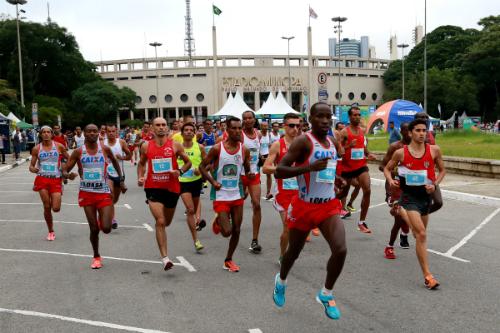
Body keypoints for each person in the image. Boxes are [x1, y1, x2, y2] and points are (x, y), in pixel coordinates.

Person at [273, 102, 346, 320]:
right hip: (304, 206)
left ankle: (326, 294)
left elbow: (328, 170)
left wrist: (337, 180)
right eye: (320, 116)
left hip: (328, 205)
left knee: (340, 249)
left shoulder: (332, 141)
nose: (325, 120)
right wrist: (308, 168)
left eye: (328, 116)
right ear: (310, 119)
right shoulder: (303, 142)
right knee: (293, 253)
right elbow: (279, 171)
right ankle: (281, 280)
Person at [384, 118, 446, 289]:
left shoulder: (434, 150)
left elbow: (442, 170)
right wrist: (390, 180)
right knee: (421, 235)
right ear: (410, 133)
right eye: (418, 130)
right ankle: (428, 276)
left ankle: (400, 212)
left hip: (425, 198)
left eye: (424, 130)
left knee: (418, 233)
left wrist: (434, 184)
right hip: (409, 196)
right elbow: (387, 168)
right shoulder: (401, 153)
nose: (421, 133)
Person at [63, 124, 125, 269]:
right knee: (93, 229)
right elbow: (65, 169)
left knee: (107, 228)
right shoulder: (79, 152)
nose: (92, 133)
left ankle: (102, 221)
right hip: (87, 193)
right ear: (84, 134)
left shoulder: (105, 149)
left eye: (94, 131)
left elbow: (116, 163)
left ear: (98, 133)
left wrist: (121, 180)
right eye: (89, 131)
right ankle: (96, 256)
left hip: (103, 192)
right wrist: (68, 175)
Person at [137, 117, 192, 271]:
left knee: (166, 222)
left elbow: (188, 163)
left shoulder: (175, 145)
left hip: (172, 188)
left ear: (167, 128)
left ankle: (164, 253)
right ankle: (165, 258)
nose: (161, 127)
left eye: (163, 125)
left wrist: (179, 171)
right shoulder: (146, 146)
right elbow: (141, 163)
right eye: (158, 125)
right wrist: (140, 176)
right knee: (160, 221)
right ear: (152, 129)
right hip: (153, 188)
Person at [199, 116, 252, 272]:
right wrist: (212, 182)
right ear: (227, 130)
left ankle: (228, 260)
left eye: (239, 128)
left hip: (237, 194)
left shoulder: (244, 149)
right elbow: (202, 167)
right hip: (221, 194)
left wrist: (247, 183)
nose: (237, 131)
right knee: (227, 232)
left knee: (237, 229)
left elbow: (246, 169)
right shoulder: (217, 148)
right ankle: (218, 222)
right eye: (233, 128)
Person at [262, 113, 301, 263]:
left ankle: (289, 252)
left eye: (298, 125)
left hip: (300, 192)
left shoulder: (303, 144)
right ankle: (283, 255)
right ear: (284, 126)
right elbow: (266, 168)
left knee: (296, 228)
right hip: (283, 192)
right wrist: (281, 169)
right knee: (287, 226)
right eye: (291, 125)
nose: (295, 129)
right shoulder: (278, 145)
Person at [29, 126, 74, 241]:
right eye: (43, 132)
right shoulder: (36, 149)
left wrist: (65, 171)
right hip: (42, 179)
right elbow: (31, 165)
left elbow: (69, 159)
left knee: (56, 208)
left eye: (48, 132)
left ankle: (56, 201)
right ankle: (50, 231)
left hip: (55, 179)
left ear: (52, 134)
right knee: (46, 206)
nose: (46, 134)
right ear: (40, 135)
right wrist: (33, 169)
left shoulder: (59, 146)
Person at [339, 106, 376, 233]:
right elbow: (339, 151)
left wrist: (368, 153)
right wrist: (349, 145)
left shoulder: (362, 131)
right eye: (354, 115)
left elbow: (363, 146)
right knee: (342, 194)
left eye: (359, 115)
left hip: (361, 166)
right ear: (349, 117)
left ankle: (361, 222)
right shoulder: (344, 132)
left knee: (367, 189)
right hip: (347, 168)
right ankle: (330, 209)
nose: (357, 117)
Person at [379, 122, 412, 259]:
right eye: (406, 130)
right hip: (396, 188)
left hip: (412, 188)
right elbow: (382, 166)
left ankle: (404, 232)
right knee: (399, 218)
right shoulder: (395, 147)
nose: (409, 133)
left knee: (408, 217)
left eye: (411, 130)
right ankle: (389, 247)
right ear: (401, 131)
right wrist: (394, 174)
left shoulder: (419, 148)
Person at [178, 122, 207, 252]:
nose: (189, 132)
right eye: (186, 130)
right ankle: (196, 240)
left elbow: (206, 164)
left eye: (191, 130)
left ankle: (196, 222)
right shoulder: (177, 148)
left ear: (194, 133)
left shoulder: (200, 147)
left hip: (196, 181)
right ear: (182, 133)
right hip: (182, 181)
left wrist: (199, 171)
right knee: (190, 209)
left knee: (194, 209)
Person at [241, 110, 264, 253]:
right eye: (245, 118)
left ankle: (255, 240)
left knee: (256, 204)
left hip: (254, 174)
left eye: (250, 118)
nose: (248, 120)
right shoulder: (239, 135)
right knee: (238, 202)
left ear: (254, 119)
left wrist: (260, 157)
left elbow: (256, 150)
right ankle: (220, 217)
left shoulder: (258, 134)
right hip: (240, 174)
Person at [104, 124, 131, 229]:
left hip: (119, 174)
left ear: (116, 132)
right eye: (109, 131)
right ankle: (112, 219)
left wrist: (122, 157)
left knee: (114, 199)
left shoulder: (121, 142)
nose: (111, 133)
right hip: (107, 174)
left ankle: (106, 211)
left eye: (113, 131)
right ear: (106, 132)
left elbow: (129, 156)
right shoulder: (103, 143)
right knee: (110, 195)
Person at [414, 112, 442, 214]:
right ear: (415, 120)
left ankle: (419, 215)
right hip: (415, 173)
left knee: (438, 202)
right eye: (422, 117)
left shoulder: (432, 134)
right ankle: (413, 219)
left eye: (426, 117)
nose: (425, 119)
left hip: (430, 174)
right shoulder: (411, 134)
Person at [259, 121, 273, 201]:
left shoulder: (269, 135)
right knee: (258, 175)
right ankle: (256, 192)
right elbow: (256, 146)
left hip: (267, 155)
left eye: (266, 126)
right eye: (263, 126)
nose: (265, 127)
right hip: (259, 156)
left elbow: (270, 146)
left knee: (268, 174)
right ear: (260, 127)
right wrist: (260, 156)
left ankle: (268, 193)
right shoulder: (259, 135)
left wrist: (269, 156)